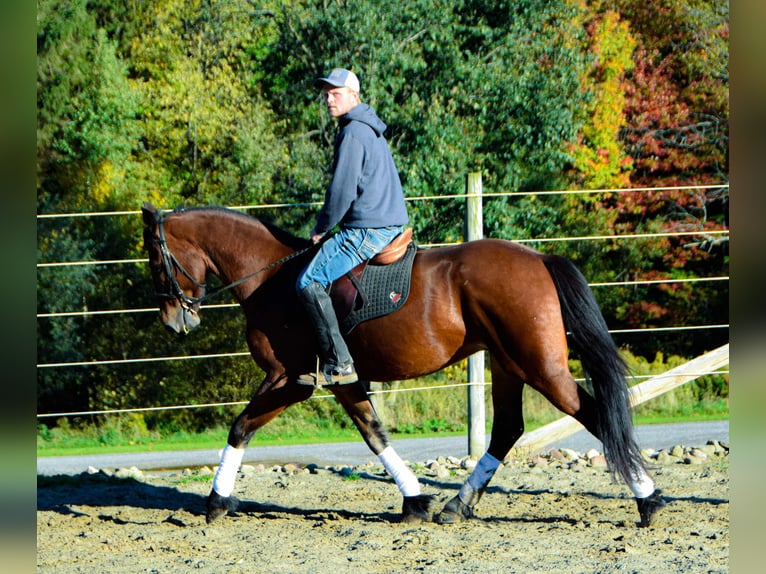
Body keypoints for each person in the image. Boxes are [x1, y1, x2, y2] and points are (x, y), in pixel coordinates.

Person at [296, 68, 409, 386]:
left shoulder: (353, 132)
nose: (329, 98)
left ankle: (340, 362)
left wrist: (322, 227)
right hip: (385, 221)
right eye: (326, 94)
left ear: (353, 95)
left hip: (367, 228)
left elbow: (342, 189)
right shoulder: (368, 128)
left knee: (308, 281)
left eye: (335, 93)